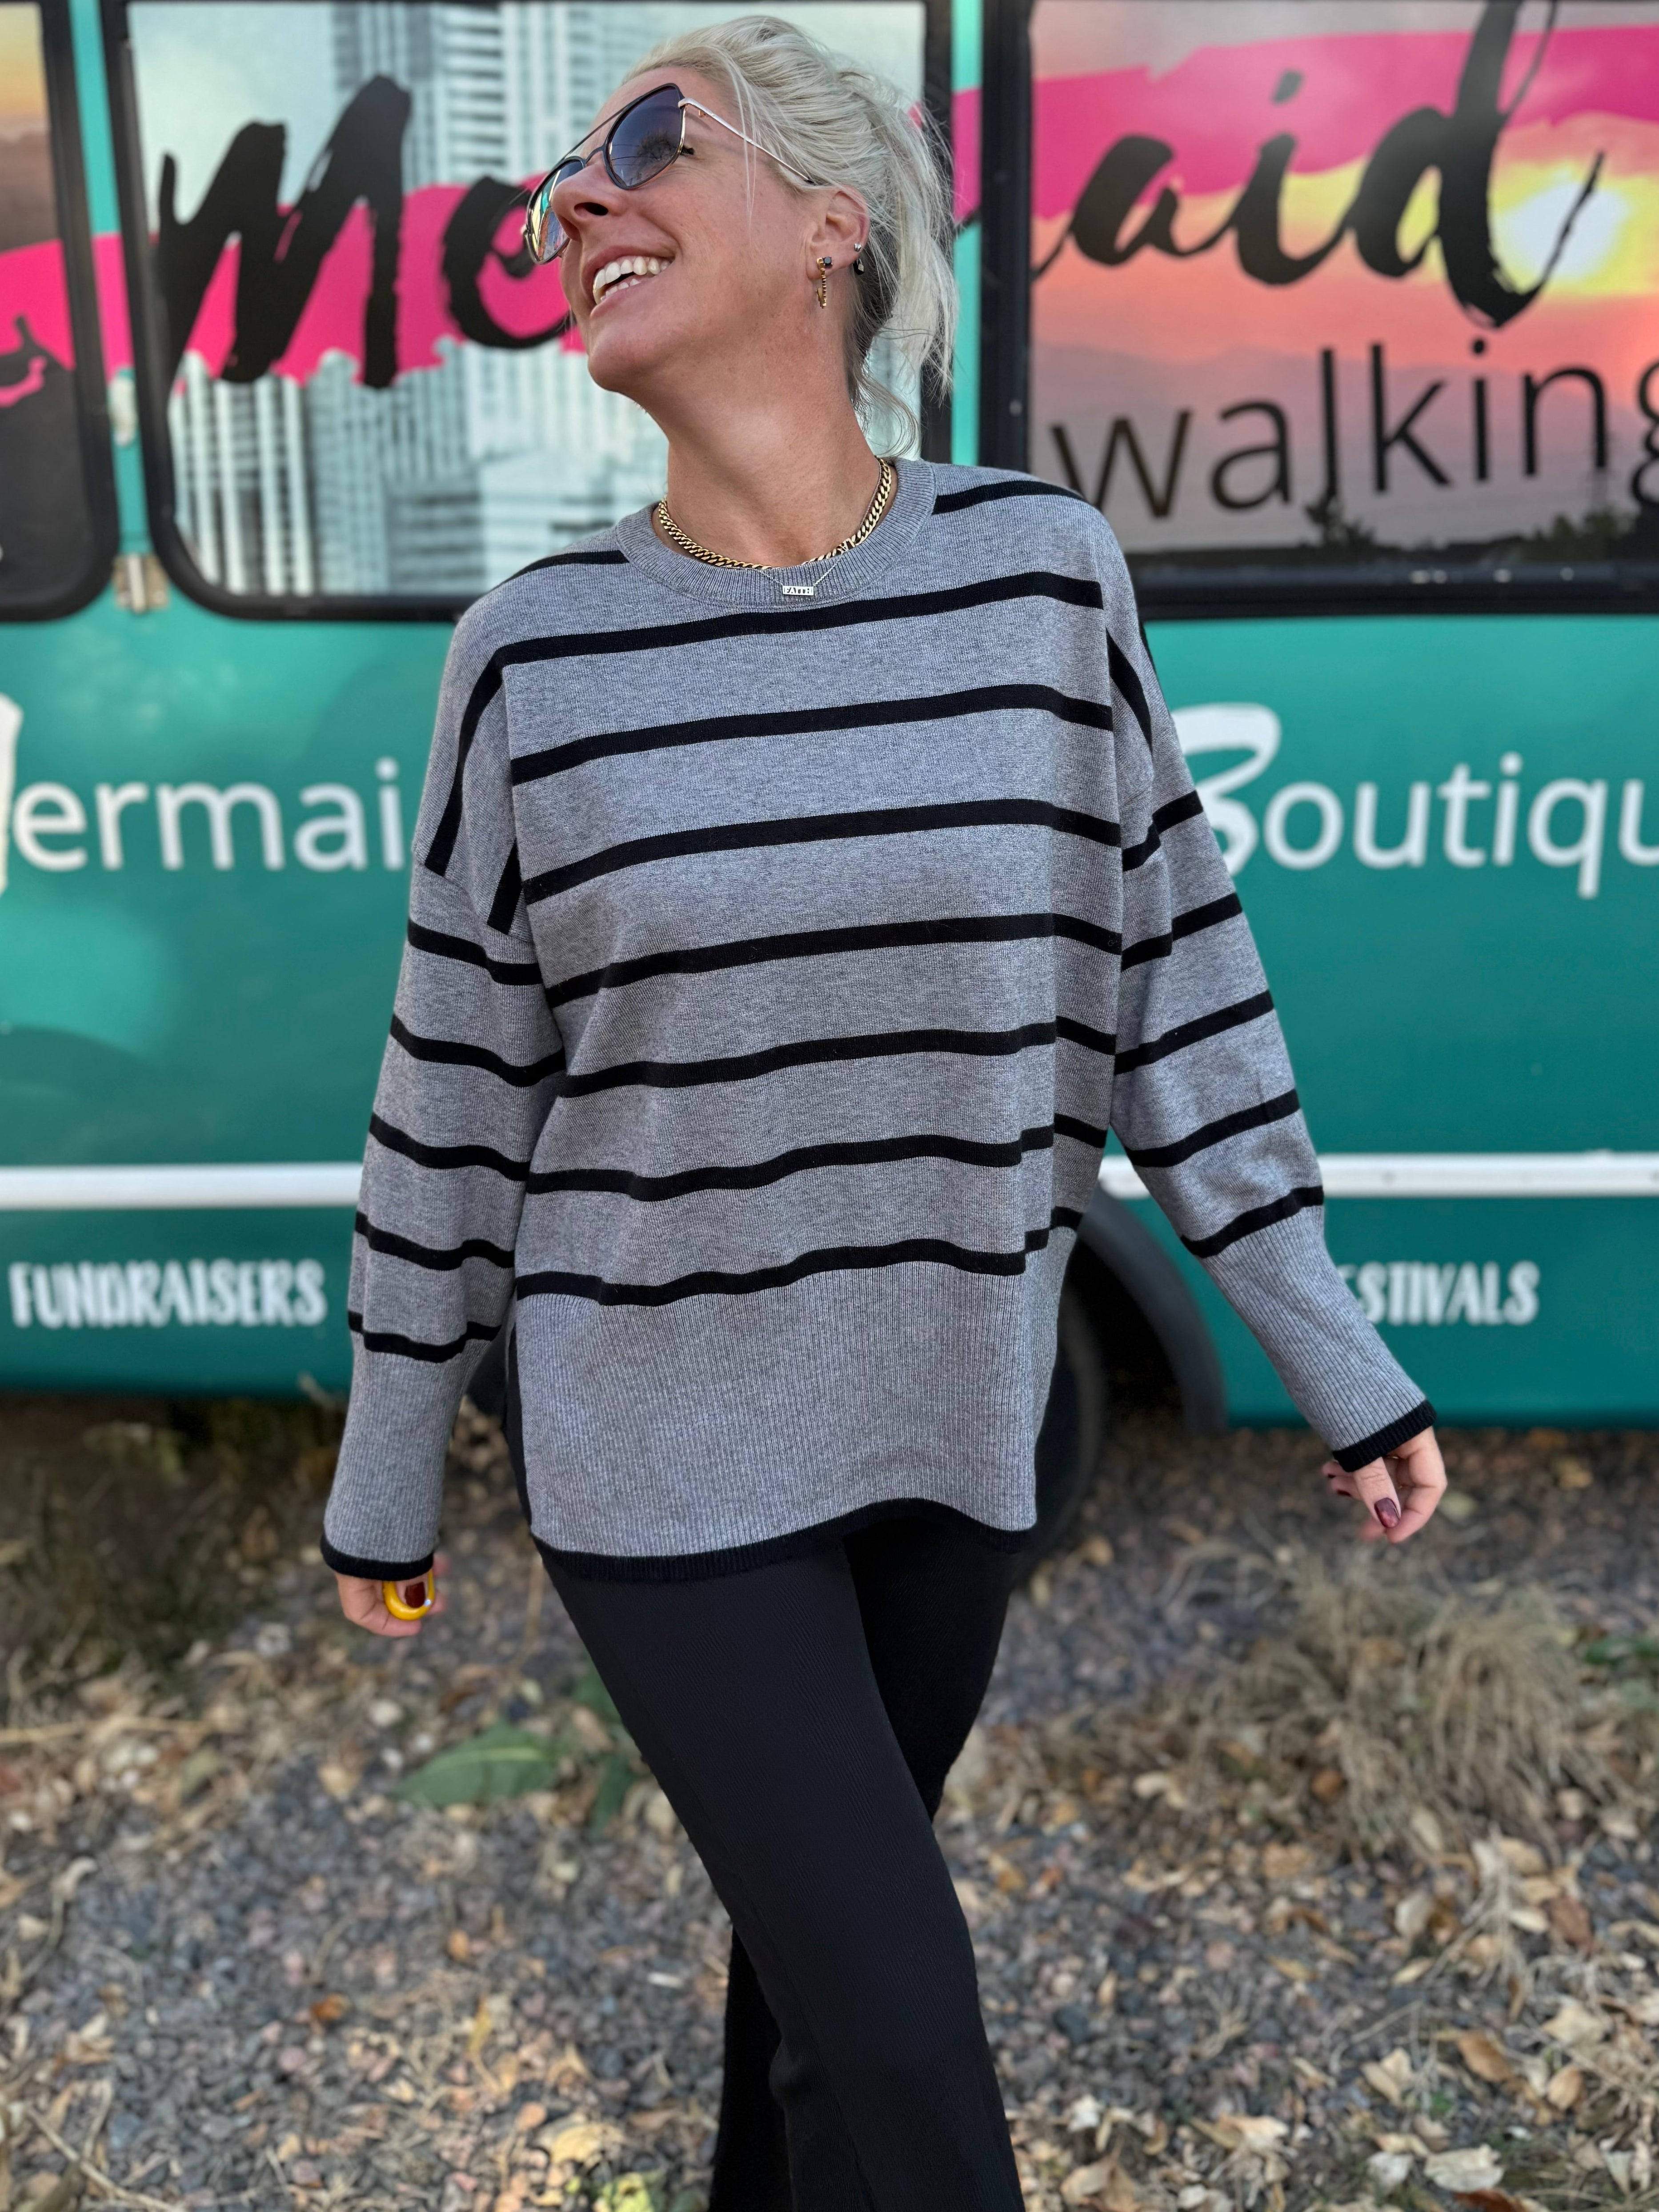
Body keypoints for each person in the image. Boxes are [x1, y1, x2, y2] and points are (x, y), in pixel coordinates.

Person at [321, 16, 1447, 2204]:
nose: (575, 199)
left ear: (836, 222)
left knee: (821, 1993)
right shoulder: (532, 657)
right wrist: (389, 1471)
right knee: (911, 2030)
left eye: (649, 140)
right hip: (659, 1453)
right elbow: (448, 1095)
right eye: (561, 174)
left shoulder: (1041, 574)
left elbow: (1174, 971)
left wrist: (1328, 1342)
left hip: (958, 1419)